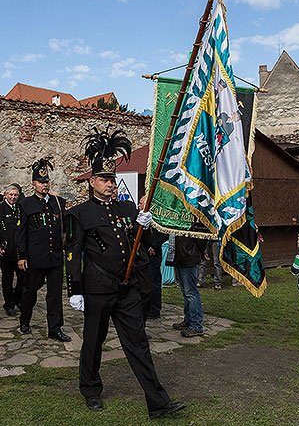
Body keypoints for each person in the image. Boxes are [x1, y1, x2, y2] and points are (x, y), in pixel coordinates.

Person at [66, 126, 185, 418]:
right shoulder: (79, 214)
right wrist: (75, 290)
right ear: (92, 181)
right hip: (97, 289)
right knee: (94, 341)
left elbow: (147, 246)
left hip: (127, 288)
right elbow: (72, 253)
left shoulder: (128, 209)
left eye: (113, 179)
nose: (110, 184)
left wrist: (147, 225)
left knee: (139, 343)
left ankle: (158, 402)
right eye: (105, 179)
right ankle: (90, 389)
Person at [16, 158, 71, 342]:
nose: (44, 185)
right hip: (35, 257)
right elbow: (21, 232)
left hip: (54, 256)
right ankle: (25, 320)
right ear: (34, 184)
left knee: (55, 295)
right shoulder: (25, 205)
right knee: (30, 291)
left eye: (46, 182)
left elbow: (64, 228)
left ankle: (55, 328)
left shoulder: (58, 202)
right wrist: (21, 256)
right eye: (41, 182)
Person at [0, 184, 24, 316]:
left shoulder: (21, 209)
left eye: (15, 195)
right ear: (5, 195)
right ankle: (9, 304)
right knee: (7, 279)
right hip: (5, 251)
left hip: (20, 251)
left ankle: (18, 299)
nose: (13, 197)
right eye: (11, 195)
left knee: (23, 278)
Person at [171, 235, 208, 337]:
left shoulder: (195, 220)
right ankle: (188, 320)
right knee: (186, 293)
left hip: (188, 255)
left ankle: (196, 325)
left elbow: (201, 238)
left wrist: (201, 251)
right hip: (180, 255)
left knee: (190, 293)